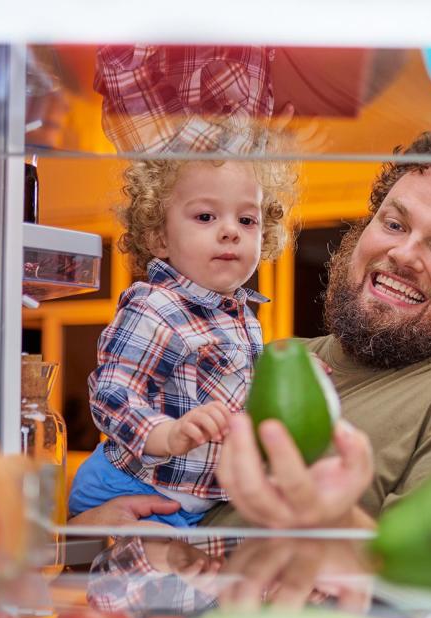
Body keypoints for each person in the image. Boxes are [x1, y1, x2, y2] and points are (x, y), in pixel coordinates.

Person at [206, 127, 431, 529]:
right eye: (395, 225)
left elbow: (422, 575)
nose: (403, 254)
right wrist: (115, 509)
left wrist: (324, 518)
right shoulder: (274, 358)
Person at [68, 154, 296, 527]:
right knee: (163, 581)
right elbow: (113, 393)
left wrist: (287, 376)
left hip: (191, 500)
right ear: (159, 236)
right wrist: (166, 433)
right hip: (133, 486)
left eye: (247, 219)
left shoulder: (242, 318)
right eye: (206, 217)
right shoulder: (155, 305)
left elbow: (240, 399)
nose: (230, 231)